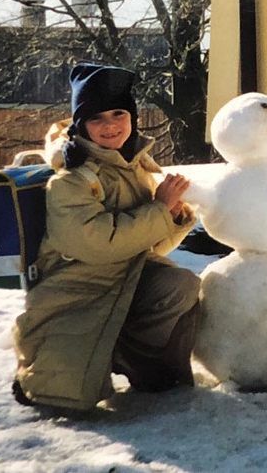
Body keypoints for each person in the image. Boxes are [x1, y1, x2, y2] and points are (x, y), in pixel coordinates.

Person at [11, 63, 200, 412]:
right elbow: (98, 245)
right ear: (80, 125)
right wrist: (159, 210)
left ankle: (141, 363)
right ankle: (45, 376)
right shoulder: (70, 180)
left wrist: (171, 216)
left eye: (119, 113)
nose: (111, 125)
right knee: (61, 393)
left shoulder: (132, 165)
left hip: (122, 280)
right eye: (97, 118)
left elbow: (144, 245)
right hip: (79, 291)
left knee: (180, 283)